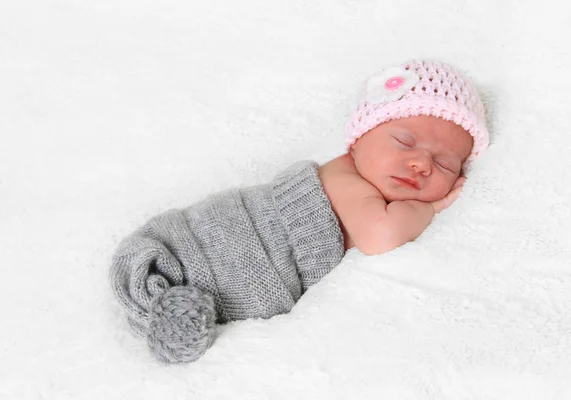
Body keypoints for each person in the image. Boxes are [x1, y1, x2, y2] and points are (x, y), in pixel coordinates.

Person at [109, 60, 489, 364]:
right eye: (405, 141)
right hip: (231, 240)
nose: (420, 164)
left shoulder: (361, 178)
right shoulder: (346, 179)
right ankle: (172, 305)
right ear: (358, 139)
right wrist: (432, 207)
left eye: (443, 165)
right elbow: (381, 236)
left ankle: (176, 312)